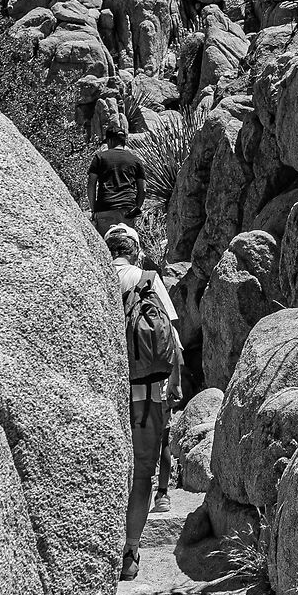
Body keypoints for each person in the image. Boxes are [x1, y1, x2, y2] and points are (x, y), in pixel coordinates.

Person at [104, 225, 182, 576]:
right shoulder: (147, 279)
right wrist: (174, 383)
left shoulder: (95, 273)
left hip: (107, 393)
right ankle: (130, 551)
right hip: (147, 394)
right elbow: (171, 337)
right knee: (141, 474)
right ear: (135, 251)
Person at [87, 111, 144, 235]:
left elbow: (91, 184)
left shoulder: (100, 157)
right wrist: (137, 208)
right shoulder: (136, 160)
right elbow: (143, 189)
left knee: (106, 245)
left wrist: (93, 209)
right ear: (123, 141)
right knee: (126, 244)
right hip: (127, 210)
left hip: (105, 209)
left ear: (110, 141)